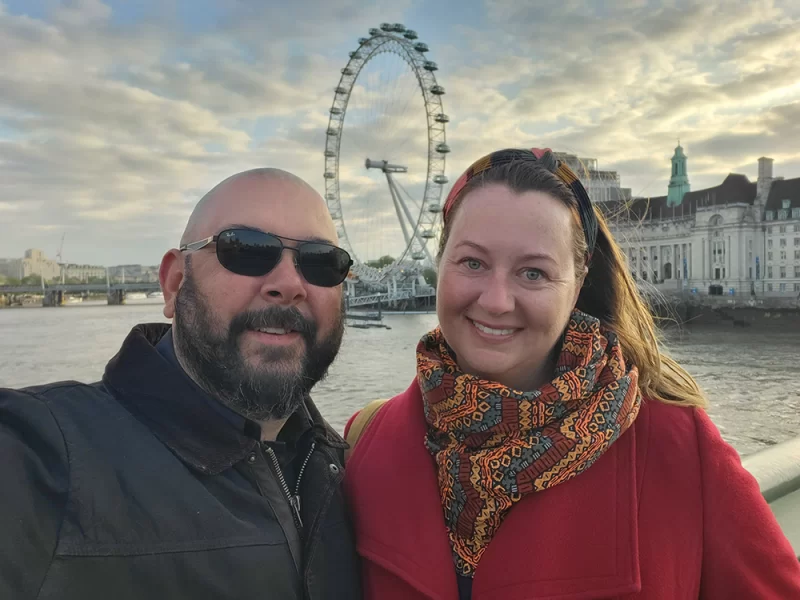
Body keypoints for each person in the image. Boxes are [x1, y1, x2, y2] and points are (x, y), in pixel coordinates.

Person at [344, 149, 800, 599]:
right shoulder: (365, 441)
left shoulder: (680, 449)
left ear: (578, 283)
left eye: (534, 273)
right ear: (440, 263)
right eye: (473, 263)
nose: (497, 300)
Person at [0, 169, 361, 599]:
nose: (288, 285)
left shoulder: (351, 467)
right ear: (174, 283)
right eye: (245, 249)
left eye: (322, 262)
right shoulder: (40, 455)